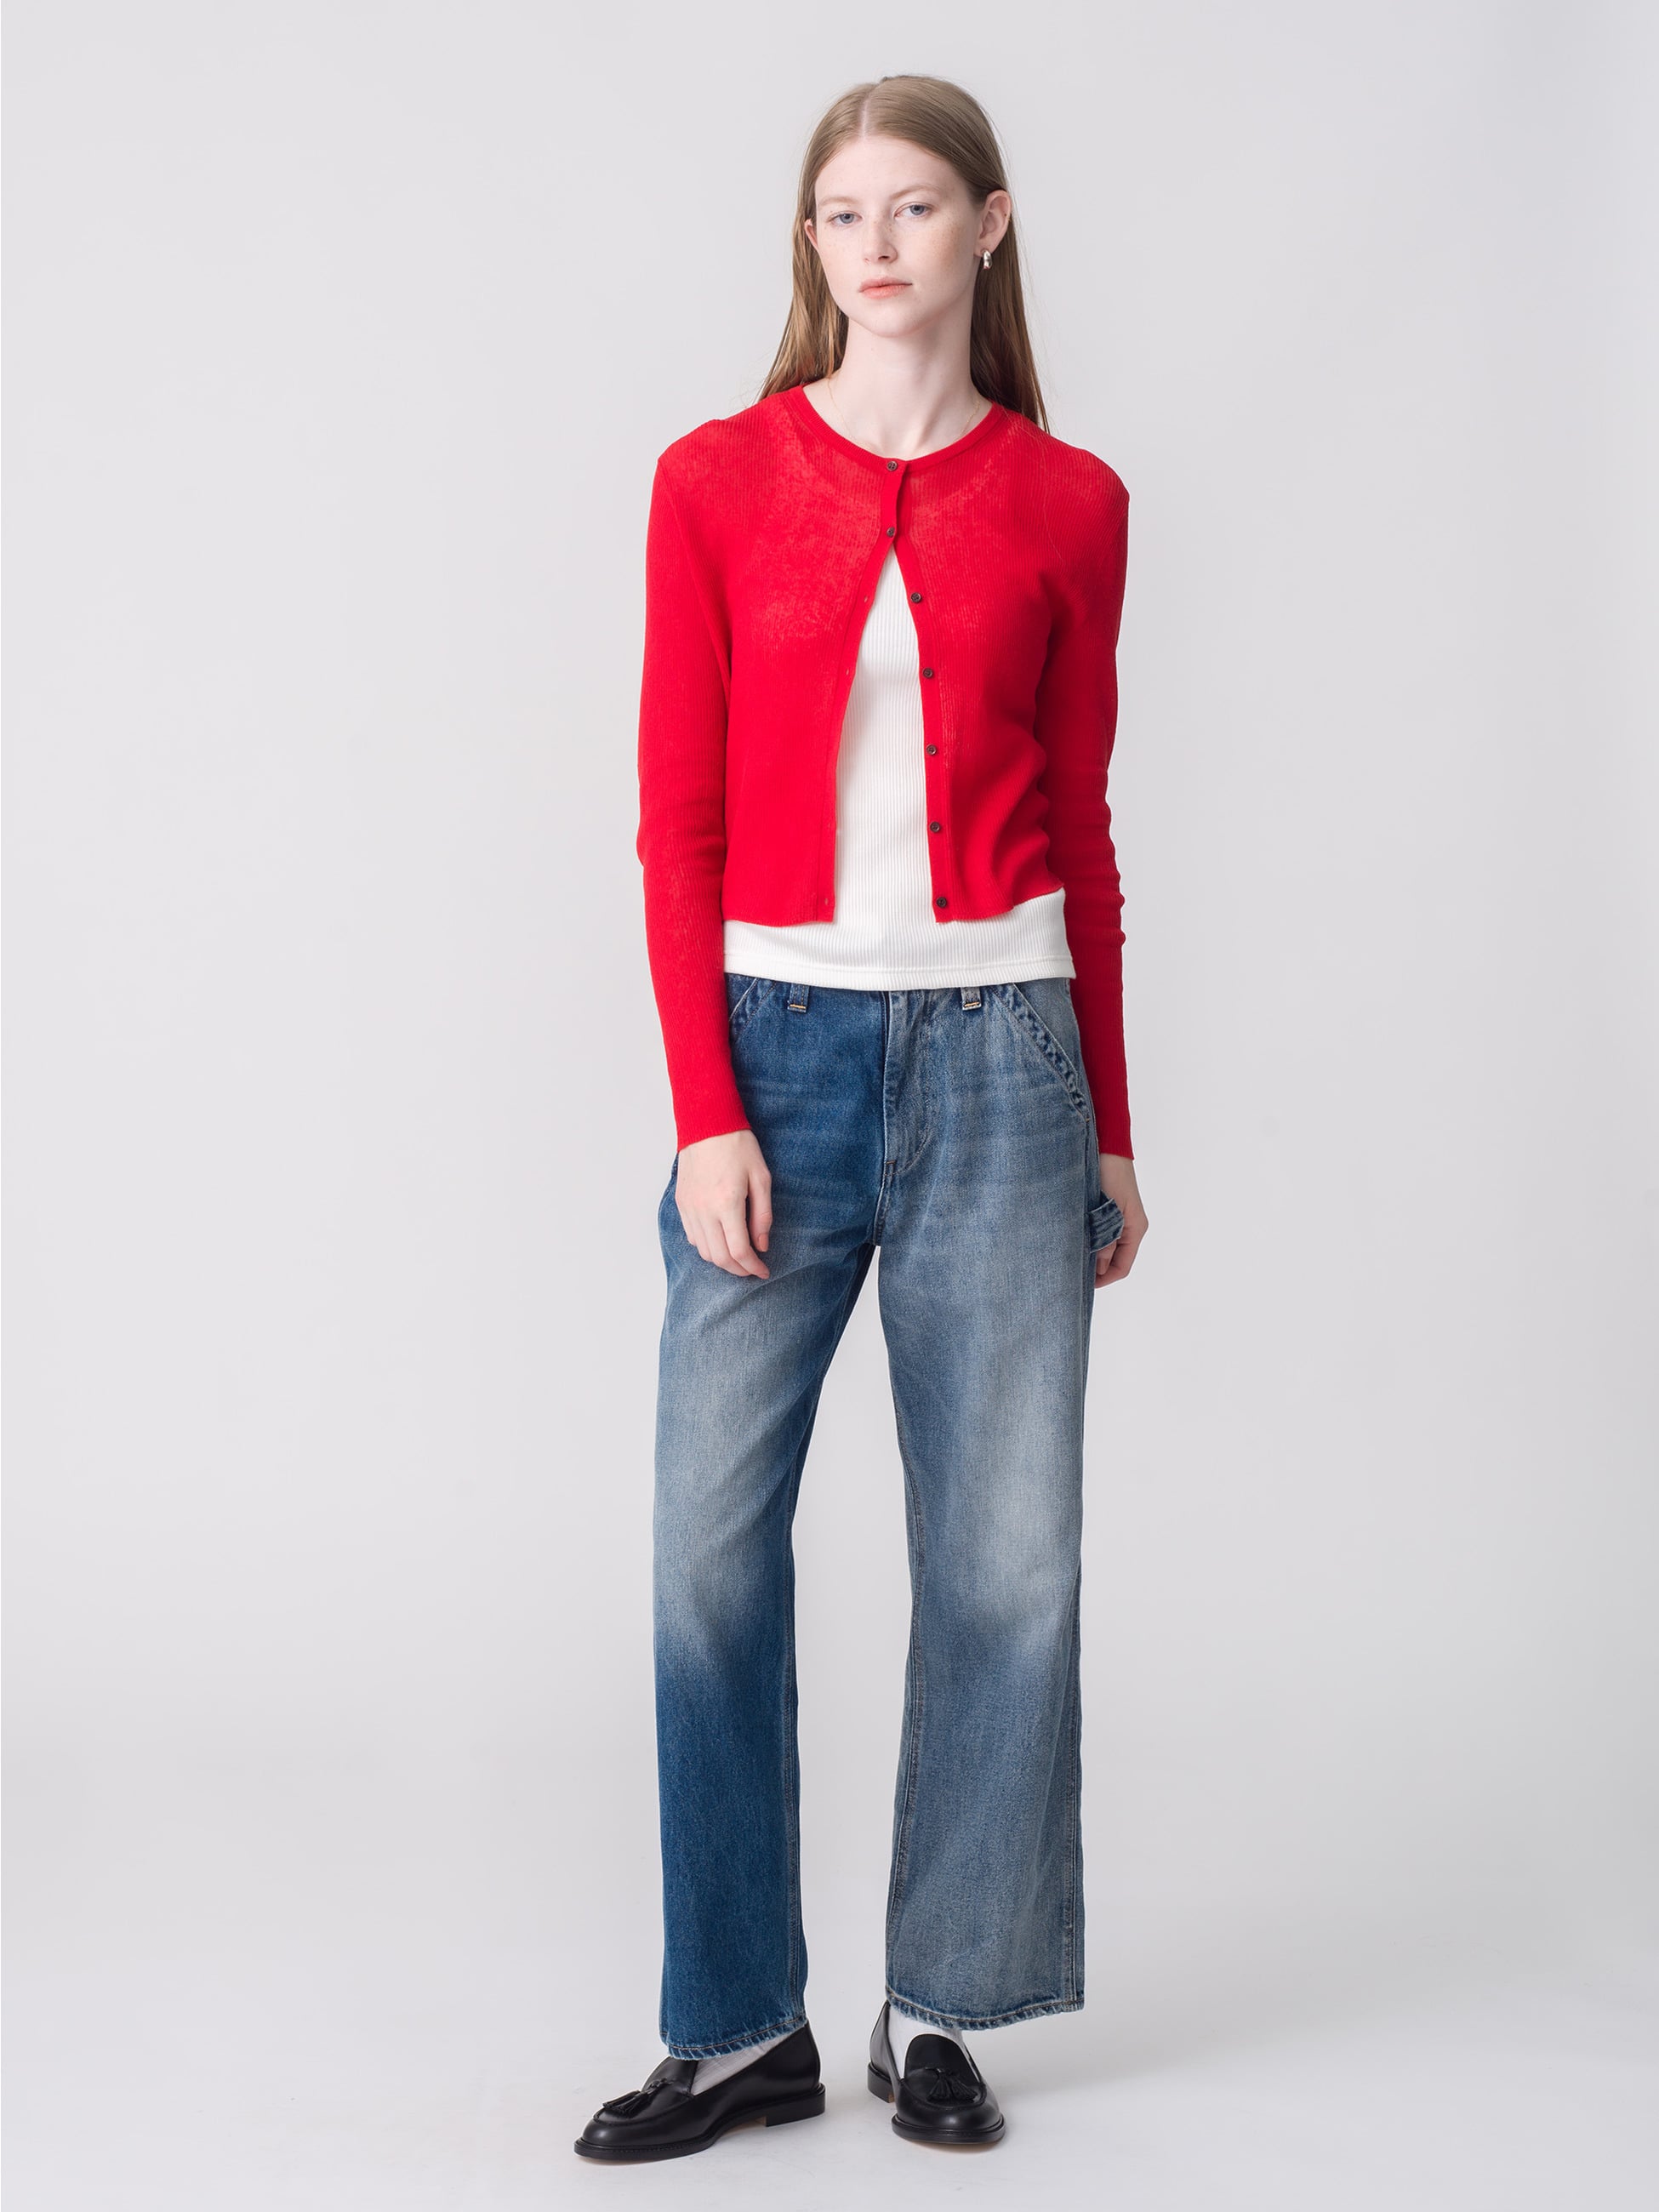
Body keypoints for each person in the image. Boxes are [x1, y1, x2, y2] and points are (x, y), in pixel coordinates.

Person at [575, 72, 1148, 2164]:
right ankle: (737, 2023)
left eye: (914, 207)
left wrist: (1110, 1122)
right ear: (809, 245)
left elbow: (1081, 821)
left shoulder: (1071, 501)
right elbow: (677, 825)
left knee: (1007, 1559)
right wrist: (704, 1109)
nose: (877, 244)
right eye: (842, 213)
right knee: (706, 1551)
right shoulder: (715, 480)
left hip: (1009, 1061)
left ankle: (939, 2003)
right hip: (776, 1055)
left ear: (990, 226)